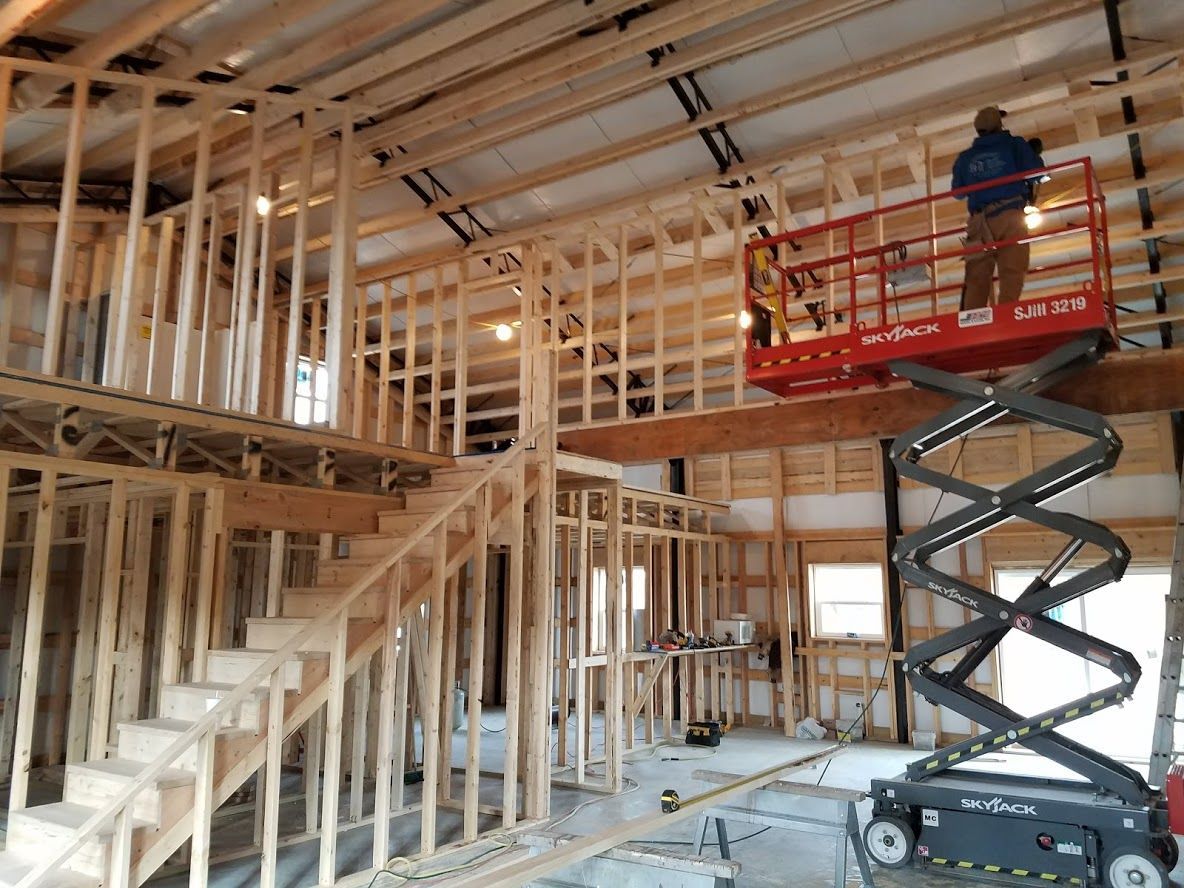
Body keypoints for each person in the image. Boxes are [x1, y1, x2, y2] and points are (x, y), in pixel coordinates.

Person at [951, 106, 1044, 309]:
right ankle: (1007, 314)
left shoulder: (965, 158)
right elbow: (1037, 174)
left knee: (976, 275)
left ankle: (972, 319)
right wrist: (1034, 154)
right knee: (1012, 268)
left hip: (978, 222)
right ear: (999, 125)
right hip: (1009, 214)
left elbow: (957, 192)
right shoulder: (1014, 145)